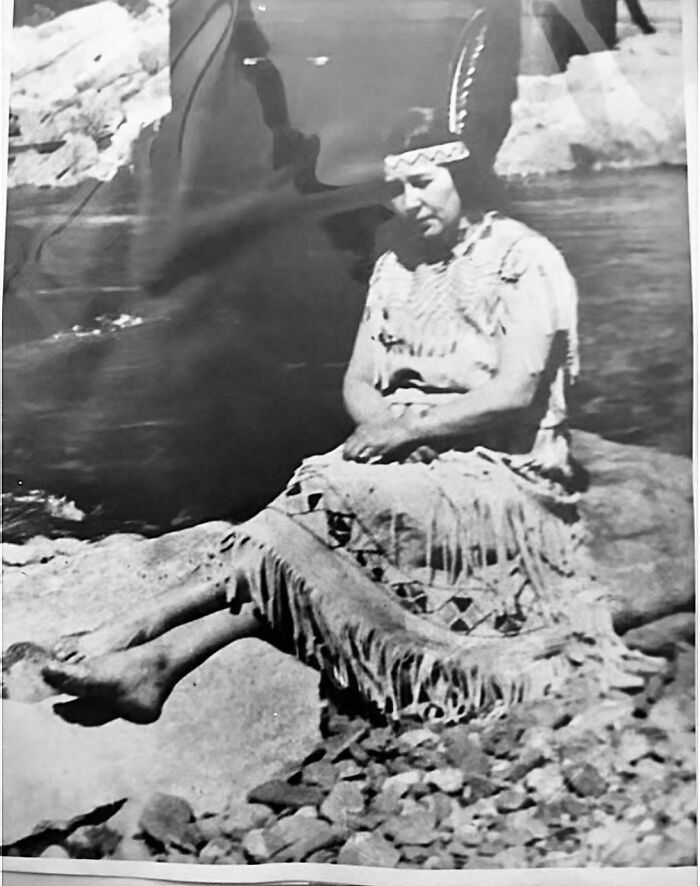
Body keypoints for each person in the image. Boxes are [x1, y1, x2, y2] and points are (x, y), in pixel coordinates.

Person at [39, 10, 642, 725]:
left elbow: (513, 394)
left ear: (460, 174)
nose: (408, 204)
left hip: (502, 474)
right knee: (323, 506)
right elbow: (359, 379)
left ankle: (139, 633)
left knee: (327, 498)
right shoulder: (396, 264)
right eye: (397, 190)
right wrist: (385, 427)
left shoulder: (522, 259)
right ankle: (154, 660)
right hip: (418, 457)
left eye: (424, 185)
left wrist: (410, 432)